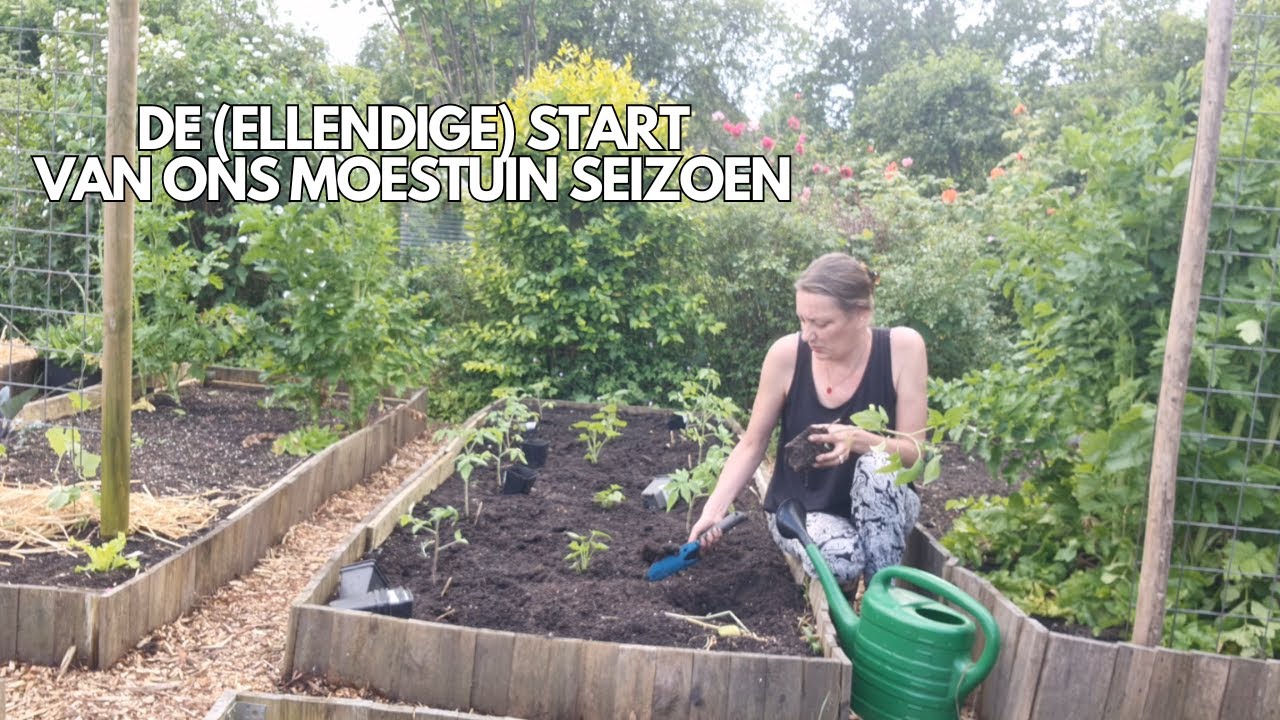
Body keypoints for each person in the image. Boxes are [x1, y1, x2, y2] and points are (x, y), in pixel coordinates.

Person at [688, 252, 928, 587]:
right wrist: (712, 512)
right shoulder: (786, 356)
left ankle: (879, 601)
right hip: (803, 511)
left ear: (862, 314)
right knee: (842, 562)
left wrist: (859, 440)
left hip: (884, 510)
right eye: (803, 321)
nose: (808, 335)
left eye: (822, 324)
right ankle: (853, 590)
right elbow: (753, 443)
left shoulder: (903, 349)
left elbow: (915, 452)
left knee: (878, 465)